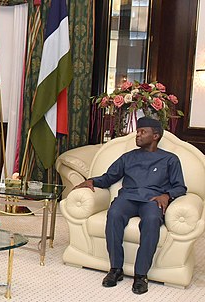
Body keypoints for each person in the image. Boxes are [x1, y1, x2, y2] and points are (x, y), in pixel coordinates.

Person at [73, 117, 186, 295]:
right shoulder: (128, 157)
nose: (138, 135)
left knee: (151, 219)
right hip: (128, 197)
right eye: (137, 131)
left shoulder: (170, 159)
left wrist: (167, 195)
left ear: (155, 135)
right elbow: (109, 177)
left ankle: (141, 275)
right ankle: (115, 269)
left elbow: (180, 186)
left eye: (143, 132)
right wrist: (91, 181)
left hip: (152, 200)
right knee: (114, 214)